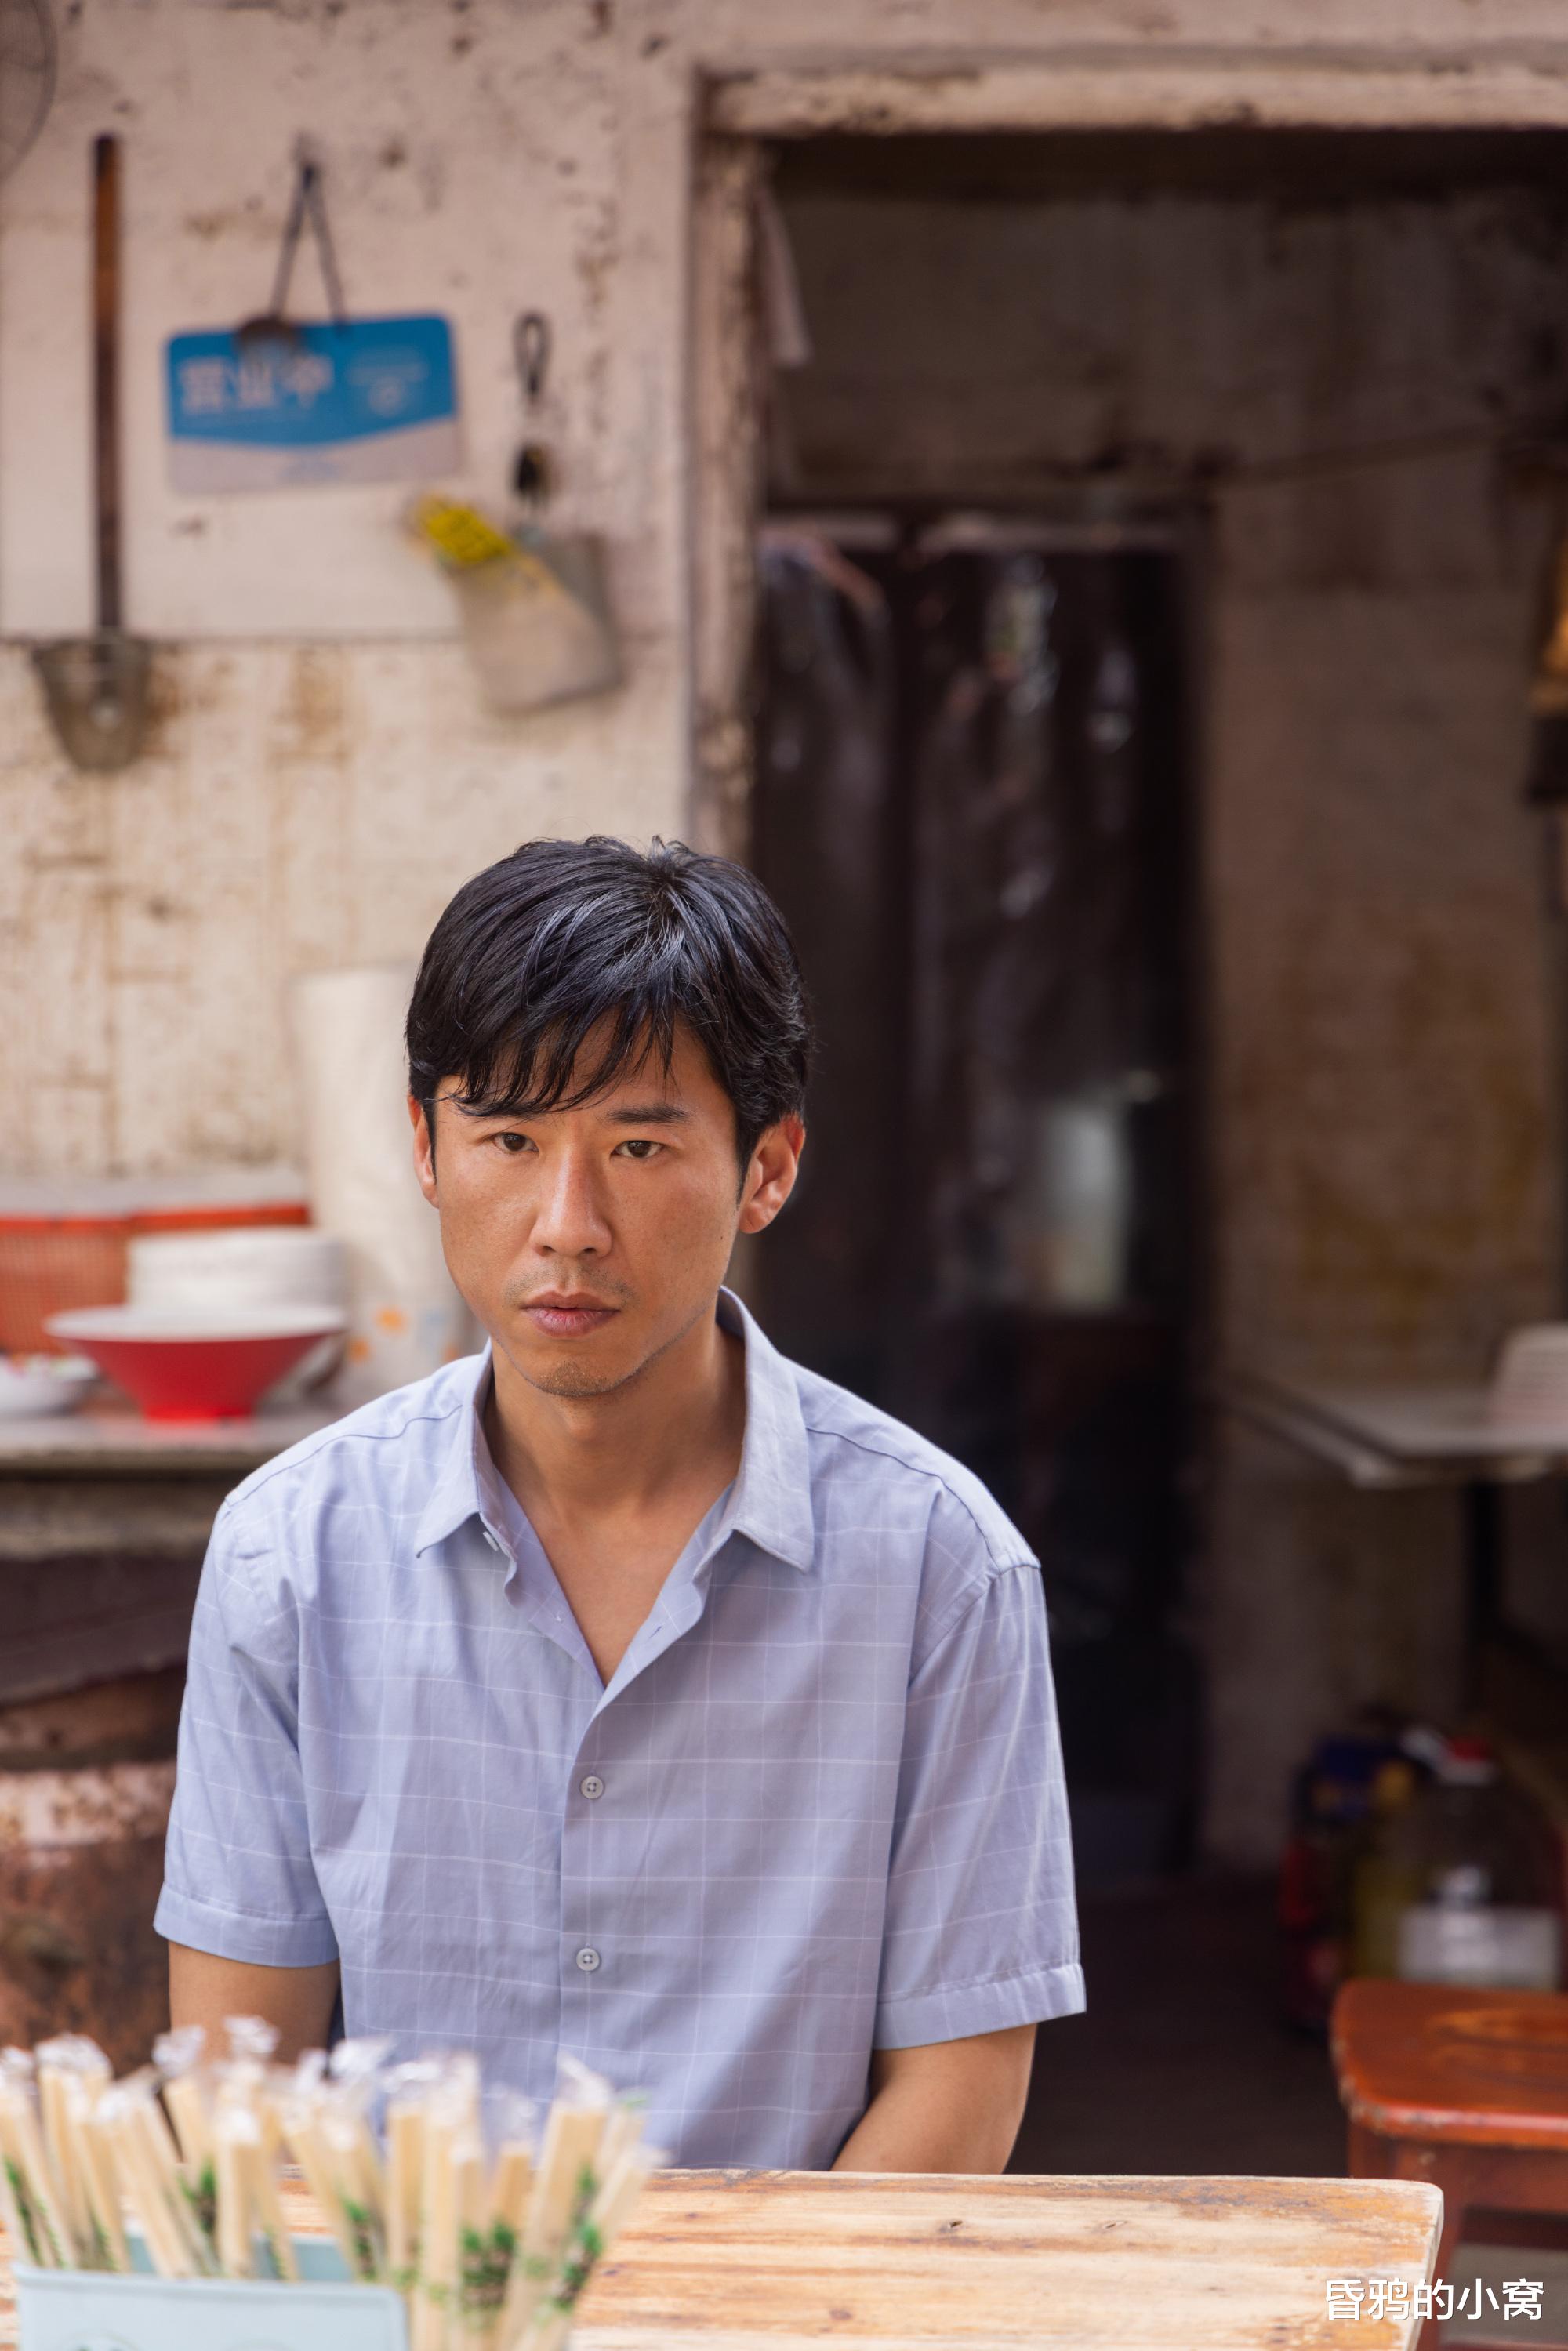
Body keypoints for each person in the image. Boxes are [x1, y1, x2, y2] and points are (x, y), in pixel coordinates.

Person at [158, 835, 1083, 2171]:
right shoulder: (290, 1554)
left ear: (768, 1167)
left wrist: (745, 2297)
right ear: (425, 1149)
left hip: (791, 2293)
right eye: (509, 1139)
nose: (567, 1223)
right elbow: (239, 2088)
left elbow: (960, 2091)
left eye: (640, 1144)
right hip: (399, 2283)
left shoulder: (942, 1567)